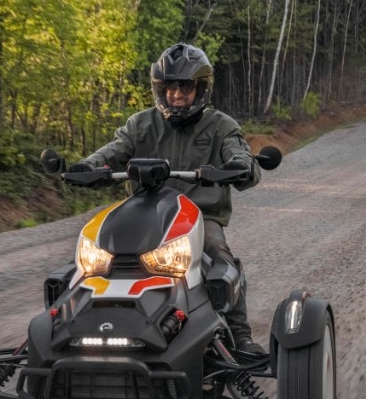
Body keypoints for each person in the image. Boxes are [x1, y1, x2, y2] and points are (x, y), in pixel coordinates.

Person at [69, 43, 265, 356]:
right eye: (169, 88)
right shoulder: (140, 124)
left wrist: (239, 166)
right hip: (142, 213)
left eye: (184, 88)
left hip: (199, 217)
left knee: (219, 255)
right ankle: (66, 325)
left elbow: (240, 154)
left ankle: (241, 336)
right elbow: (113, 151)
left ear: (201, 90)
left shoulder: (221, 126)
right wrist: (88, 166)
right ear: (159, 89)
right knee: (89, 259)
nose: (176, 95)